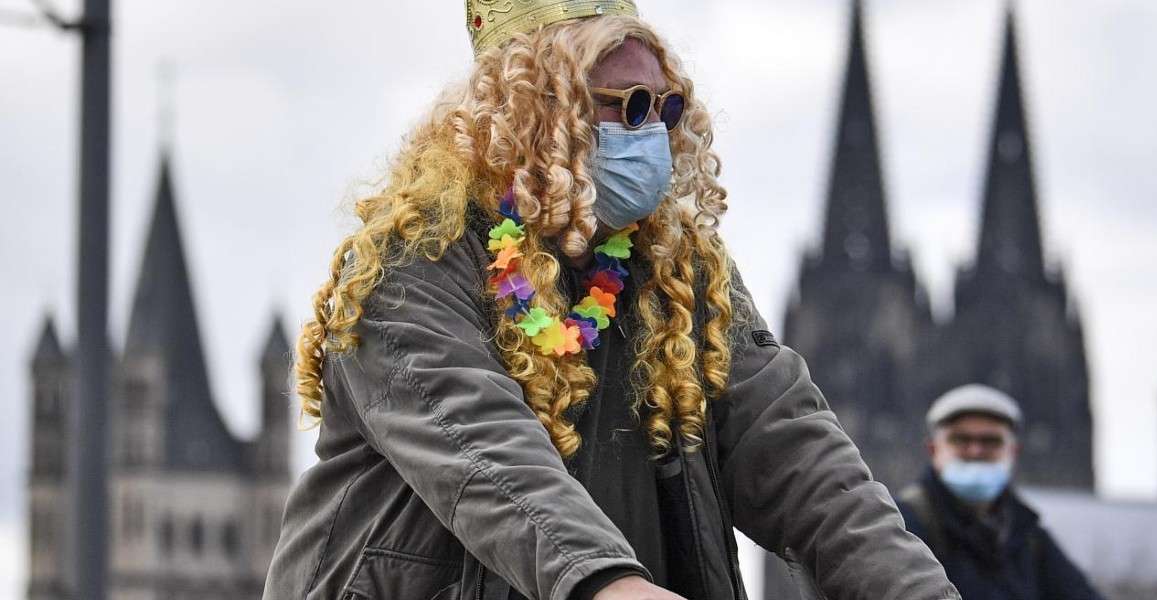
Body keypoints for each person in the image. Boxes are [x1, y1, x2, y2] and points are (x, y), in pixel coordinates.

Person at [263, 2, 959, 599]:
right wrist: (605, 582)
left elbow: (798, 455)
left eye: (665, 107)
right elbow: (478, 443)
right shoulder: (410, 259)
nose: (652, 132)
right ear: (536, 109)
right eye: (628, 107)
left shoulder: (681, 269)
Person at [897, 384, 1105, 600]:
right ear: (933, 449)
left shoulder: (1028, 535)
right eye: (960, 440)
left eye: (991, 441)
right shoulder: (902, 524)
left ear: (1013, 451)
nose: (976, 451)